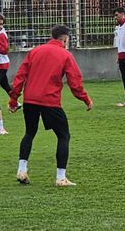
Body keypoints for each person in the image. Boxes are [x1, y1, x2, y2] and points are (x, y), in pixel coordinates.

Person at [9, 25, 93, 186]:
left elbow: (20, 75)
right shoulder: (65, 55)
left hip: (30, 99)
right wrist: (85, 99)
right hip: (50, 100)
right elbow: (74, 81)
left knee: (29, 132)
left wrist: (14, 99)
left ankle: (21, 169)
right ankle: (61, 177)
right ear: (65, 39)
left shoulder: (35, 51)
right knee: (63, 136)